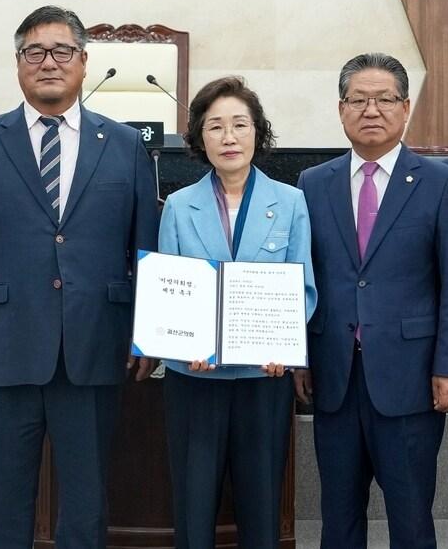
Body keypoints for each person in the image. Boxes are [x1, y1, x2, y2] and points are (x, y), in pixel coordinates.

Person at [0, 5, 158, 549]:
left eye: (61, 51)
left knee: (86, 500)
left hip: (96, 341)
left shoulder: (124, 145)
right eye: (35, 52)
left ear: (83, 61)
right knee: (5, 499)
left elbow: (144, 246)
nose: (48, 62)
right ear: (18, 64)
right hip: (5, 343)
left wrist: (147, 330)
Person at [295, 52, 448, 549]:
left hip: (412, 376)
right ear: (340, 108)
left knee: (411, 514)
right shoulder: (313, 184)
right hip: (334, 375)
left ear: (406, 106)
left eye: (384, 99)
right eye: (358, 99)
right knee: (339, 514)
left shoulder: (441, 183)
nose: (371, 110)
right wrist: (300, 358)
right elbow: (304, 276)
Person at [156, 76, 316, 549]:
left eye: (240, 125)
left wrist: (283, 346)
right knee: (193, 504)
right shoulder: (179, 207)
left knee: (262, 506)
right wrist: (184, 348)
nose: (228, 137)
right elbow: (170, 292)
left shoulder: (290, 202)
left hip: (262, 380)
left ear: (258, 133)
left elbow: (303, 286)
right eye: (215, 127)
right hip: (194, 381)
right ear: (198, 139)